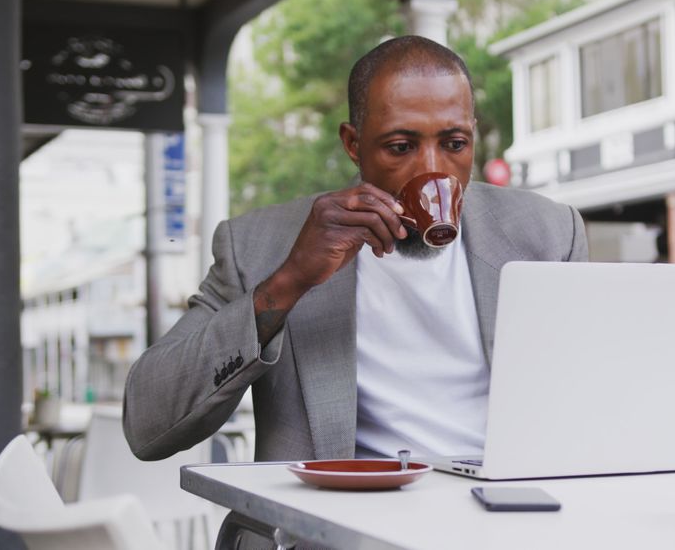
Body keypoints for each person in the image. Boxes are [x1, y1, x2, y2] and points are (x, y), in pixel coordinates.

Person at [122, 36, 588, 466]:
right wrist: (289, 282)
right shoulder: (259, 245)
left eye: (454, 144)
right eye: (400, 146)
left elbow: (590, 401)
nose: (432, 169)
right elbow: (147, 426)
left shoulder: (547, 234)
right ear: (352, 144)